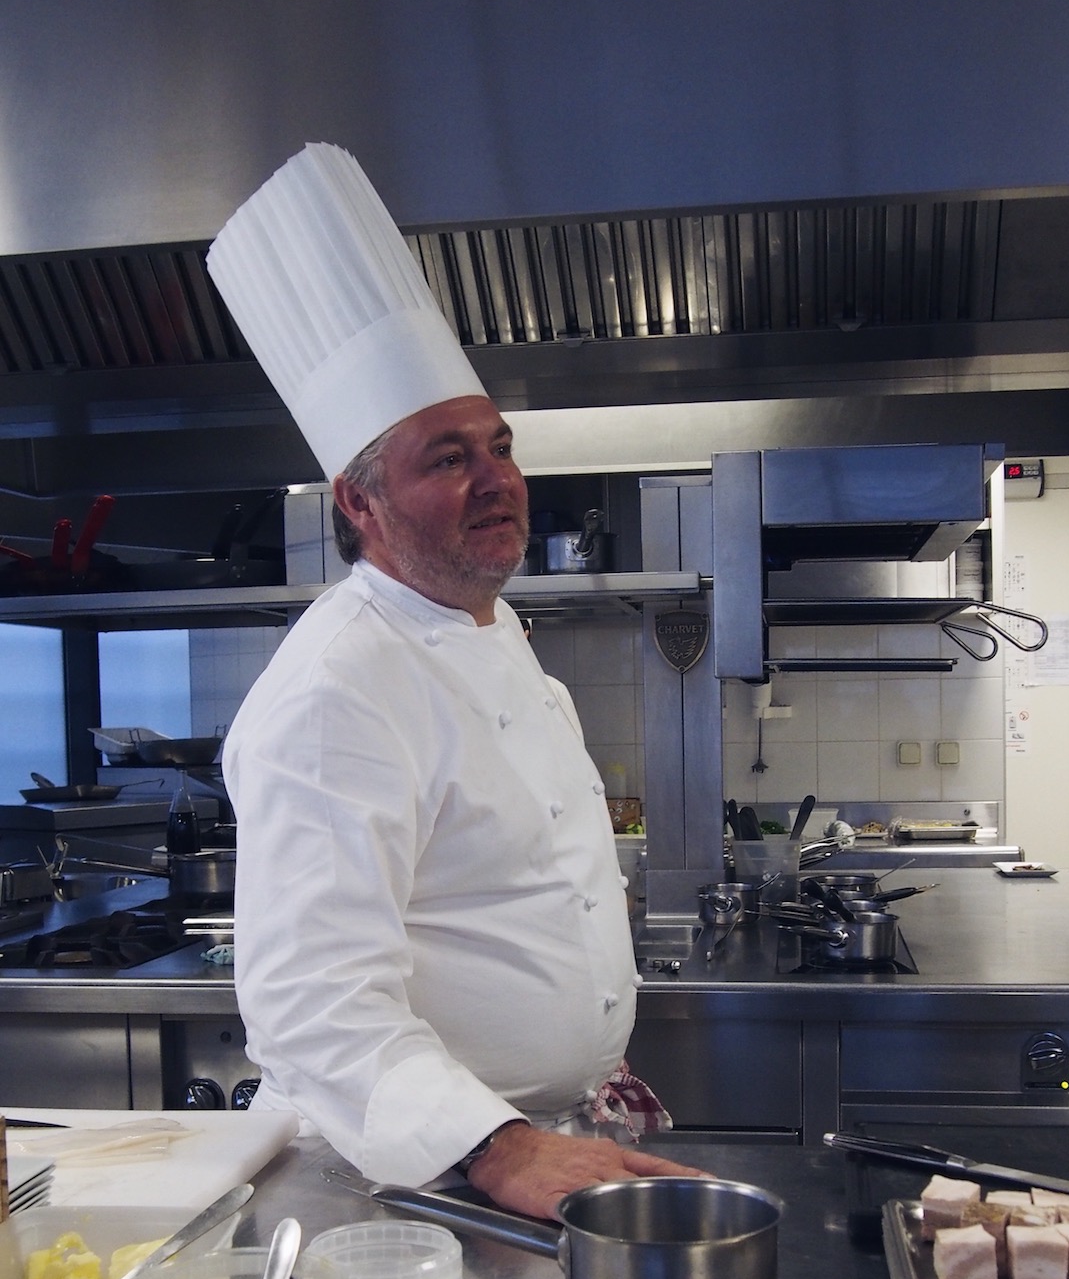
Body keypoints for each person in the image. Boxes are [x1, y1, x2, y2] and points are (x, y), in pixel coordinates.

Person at [211, 145, 702, 1219]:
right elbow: (310, 1000)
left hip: (522, 1149)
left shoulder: (489, 627)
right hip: (403, 1179)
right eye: (447, 459)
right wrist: (493, 1145)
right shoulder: (337, 688)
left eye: (500, 447)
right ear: (360, 502)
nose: (497, 481)